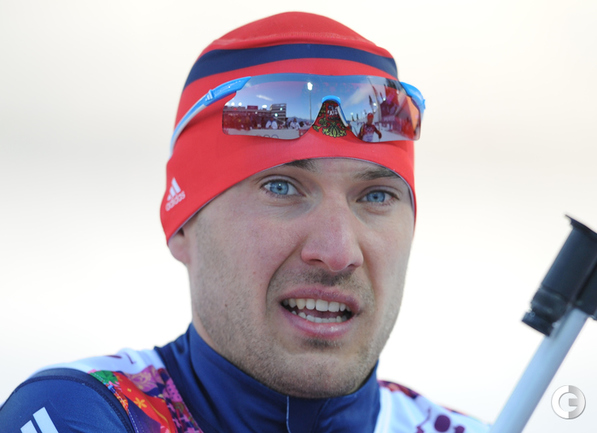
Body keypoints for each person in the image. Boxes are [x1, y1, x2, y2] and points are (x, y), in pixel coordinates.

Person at [0, 12, 490, 433]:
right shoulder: (88, 414)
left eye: (376, 196)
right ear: (183, 223)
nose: (338, 251)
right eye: (282, 188)